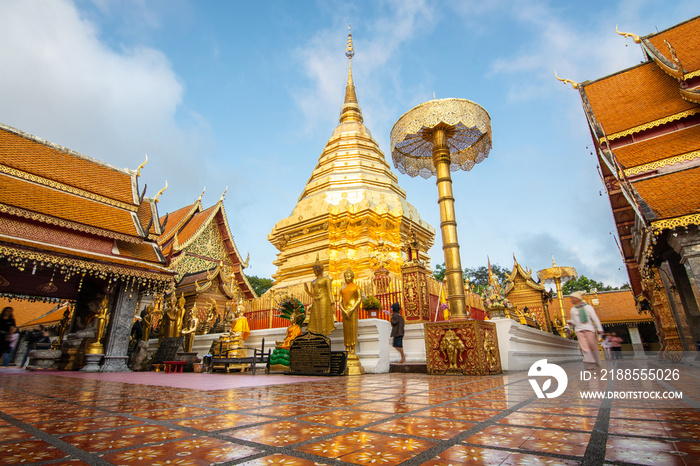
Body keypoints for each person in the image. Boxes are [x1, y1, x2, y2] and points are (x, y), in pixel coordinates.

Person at [569, 291, 604, 370]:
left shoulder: (588, 307)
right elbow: (574, 321)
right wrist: (571, 322)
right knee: (585, 348)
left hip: (589, 329)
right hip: (579, 330)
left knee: (593, 346)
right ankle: (592, 363)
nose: (571, 300)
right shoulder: (573, 310)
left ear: (577, 298)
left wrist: (600, 329)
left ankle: (598, 362)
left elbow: (595, 318)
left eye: (572, 298)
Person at [303, 255, 336, 336]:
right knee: (316, 317)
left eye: (317, 269)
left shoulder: (326, 279)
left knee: (323, 317)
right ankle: (317, 334)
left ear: (321, 269)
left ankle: (324, 334)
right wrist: (307, 291)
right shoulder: (313, 281)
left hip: (324, 299)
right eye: (314, 269)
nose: (315, 271)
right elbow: (313, 295)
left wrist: (332, 303)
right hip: (316, 300)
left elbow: (329, 291)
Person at [339, 267, 361, 355]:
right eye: (346, 276)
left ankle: (353, 348)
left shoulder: (356, 287)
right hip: (345, 312)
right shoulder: (342, 289)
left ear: (352, 277)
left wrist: (352, 309)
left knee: (353, 329)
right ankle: (347, 347)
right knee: (346, 330)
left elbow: (359, 298)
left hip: (353, 311)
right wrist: (344, 310)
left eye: (349, 276)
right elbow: (340, 302)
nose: (347, 278)